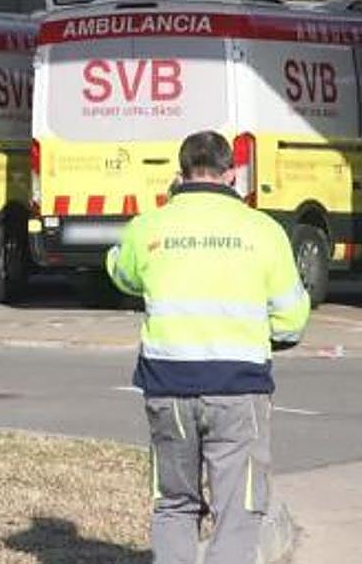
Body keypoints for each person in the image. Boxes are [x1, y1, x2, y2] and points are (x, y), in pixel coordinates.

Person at [105, 130, 310, 564]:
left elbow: (121, 275)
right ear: (231, 173)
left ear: (180, 176)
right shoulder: (264, 231)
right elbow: (292, 319)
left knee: (174, 502)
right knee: (238, 509)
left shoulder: (150, 226)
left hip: (168, 387)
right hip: (238, 388)